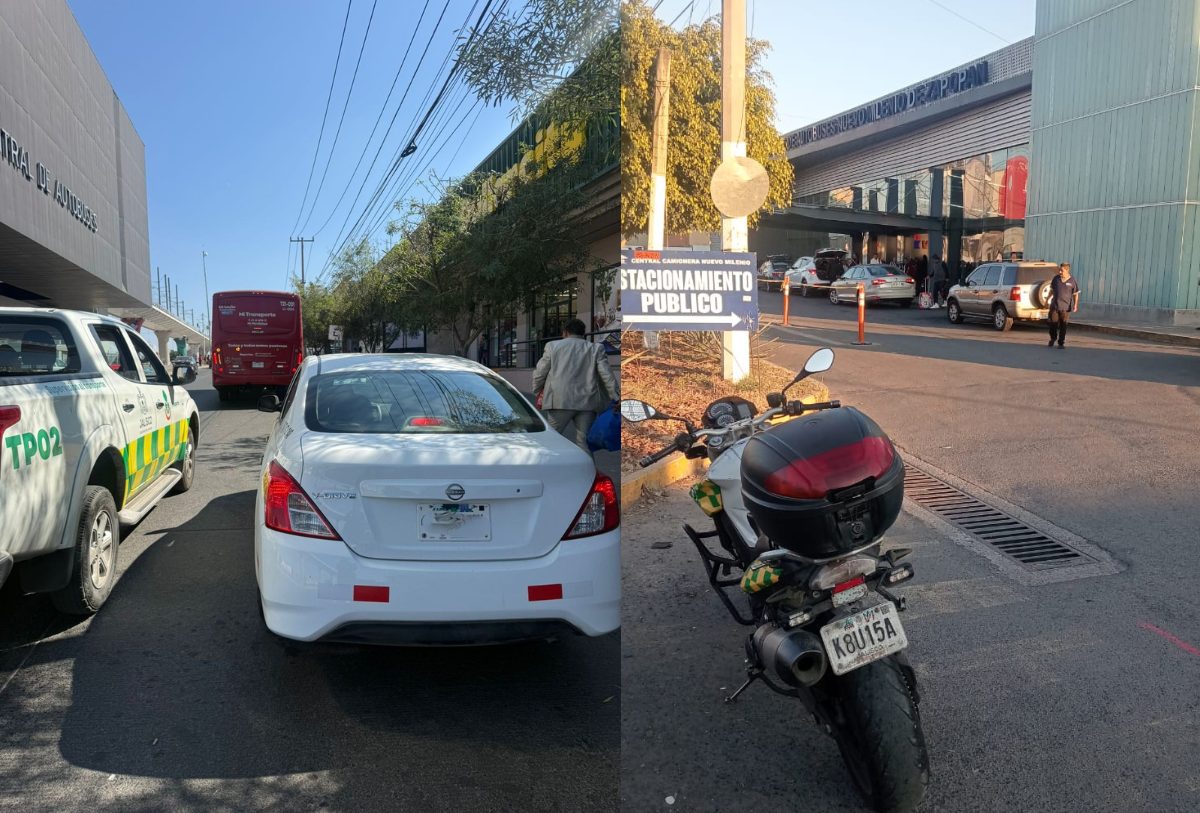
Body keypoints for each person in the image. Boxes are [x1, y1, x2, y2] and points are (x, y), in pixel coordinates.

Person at [532, 318, 619, 452]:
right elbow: (607, 375)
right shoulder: (595, 348)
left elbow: (540, 371)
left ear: (565, 332)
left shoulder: (552, 346)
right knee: (583, 442)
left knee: (552, 440)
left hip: (559, 401)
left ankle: (549, 469)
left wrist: (536, 389)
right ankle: (587, 472)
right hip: (587, 402)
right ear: (583, 333)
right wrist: (616, 397)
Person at [1047, 262, 1080, 348]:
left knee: (1063, 325)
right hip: (1054, 306)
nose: (1060, 272)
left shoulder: (1072, 281)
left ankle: (1061, 343)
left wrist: (1075, 304)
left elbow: (1075, 294)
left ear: (1067, 270)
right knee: (1052, 324)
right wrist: (1047, 299)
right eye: (1059, 270)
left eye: (1061, 270)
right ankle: (1053, 338)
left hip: (1065, 308)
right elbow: (1051, 291)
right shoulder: (1056, 279)